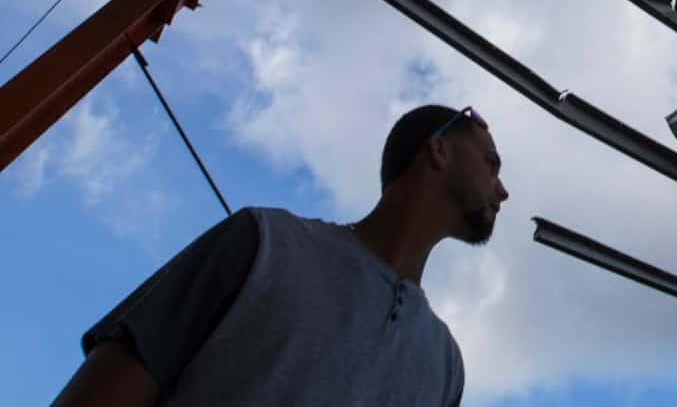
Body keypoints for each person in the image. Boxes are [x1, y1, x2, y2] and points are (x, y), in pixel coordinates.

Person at [53, 104, 508, 406]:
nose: (502, 190)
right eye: (490, 163)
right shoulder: (263, 244)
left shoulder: (445, 365)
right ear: (439, 149)